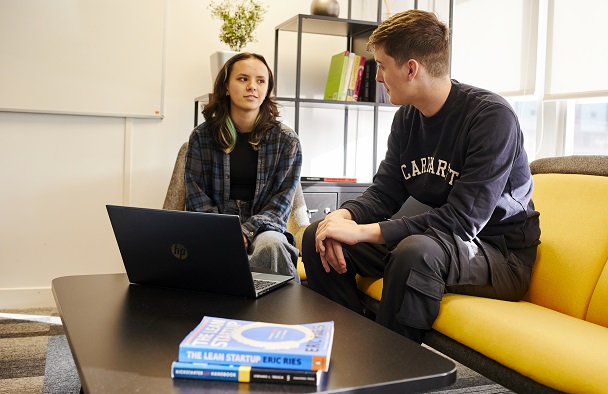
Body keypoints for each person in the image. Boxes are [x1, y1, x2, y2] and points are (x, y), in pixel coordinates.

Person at [302, 10, 541, 343]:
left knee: (415, 253)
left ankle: (391, 370)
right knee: (319, 236)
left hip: (497, 254)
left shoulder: (491, 117)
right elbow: (386, 191)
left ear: (411, 68)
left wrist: (365, 232)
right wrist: (343, 217)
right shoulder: (406, 119)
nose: (378, 78)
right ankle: (346, 346)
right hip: (437, 240)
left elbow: (461, 222)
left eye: (382, 66)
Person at [185, 52, 302, 282]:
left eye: (260, 81)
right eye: (243, 79)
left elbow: (281, 203)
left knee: (272, 244)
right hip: (214, 224)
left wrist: (246, 232)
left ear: (267, 89)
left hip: (265, 227)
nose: (252, 87)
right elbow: (196, 196)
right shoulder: (202, 137)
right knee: (200, 248)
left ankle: (277, 314)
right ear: (226, 87)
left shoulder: (286, 140)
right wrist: (225, 231)